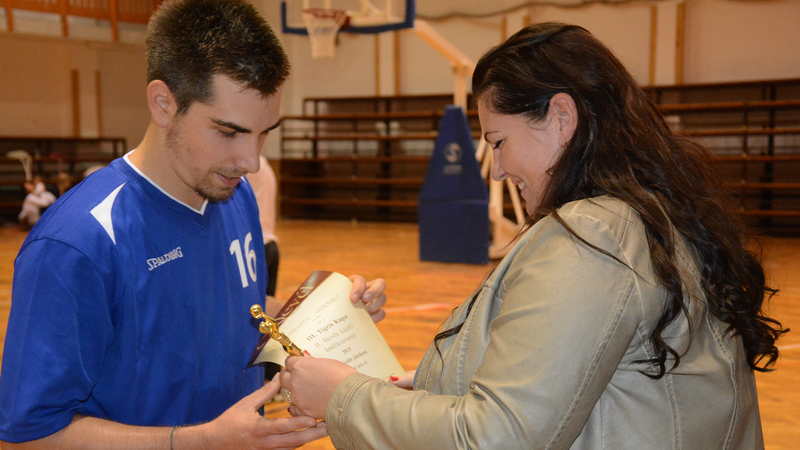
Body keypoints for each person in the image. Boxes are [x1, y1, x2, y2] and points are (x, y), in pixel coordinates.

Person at [278, 23, 788, 449]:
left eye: (500, 142)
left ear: (561, 119)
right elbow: (575, 378)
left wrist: (343, 397)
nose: (497, 169)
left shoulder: (595, 237)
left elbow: (502, 437)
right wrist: (438, 383)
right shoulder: (652, 216)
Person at [0, 0, 387, 448]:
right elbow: (27, 437)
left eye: (264, 133)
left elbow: (236, 306)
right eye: (229, 131)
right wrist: (203, 440)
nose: (251, 160)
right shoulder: (76, 244)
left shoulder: (233, 194)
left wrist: (327, 314)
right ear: (164, 104)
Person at [247, 154, 280, 298]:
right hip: (271, 246)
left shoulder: (247, 168)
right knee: (265, 314)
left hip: (255, 249)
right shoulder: (265, 166)